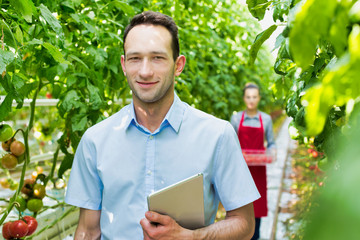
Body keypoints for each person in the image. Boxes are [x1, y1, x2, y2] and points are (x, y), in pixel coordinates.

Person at [65, 11, 260, 240]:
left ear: (178, 65)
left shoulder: (216, 135)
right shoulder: (95, 141)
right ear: (124, 64)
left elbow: (245, 224)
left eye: (157, 58)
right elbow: (88, 231)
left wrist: (190, 237)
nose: (145, 71)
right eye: (135, 58)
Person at [230, 83, 276, 240]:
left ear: (259, 98)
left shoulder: (266, 119)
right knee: (239, 208)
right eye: (248, 97)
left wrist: (273, 151)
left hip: (258, 171)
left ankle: (255, 236)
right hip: (240, 171)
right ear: (244, 98)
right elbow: (231, 145)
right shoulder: (236, 119)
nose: (251, 100)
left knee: (257, 208)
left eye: (254, 97)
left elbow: (271, 143)